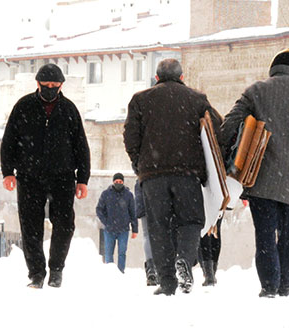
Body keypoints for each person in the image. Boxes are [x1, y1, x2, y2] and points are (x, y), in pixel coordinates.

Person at [220, 49, 289, 298]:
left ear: (273, 68)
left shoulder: (256, 91)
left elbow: (230, 123)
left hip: (262, 180)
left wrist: (220, 154)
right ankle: (285, 283)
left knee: (265, 234)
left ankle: (269, 285)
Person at [123, 58, 222, 295]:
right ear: (182, 77)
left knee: (159, 227)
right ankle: (185, 261)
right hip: (187, 174)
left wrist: (139, 164)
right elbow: (216, 128)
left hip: (153, 175)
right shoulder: (197, 99)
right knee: (190, 221)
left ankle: (167, 282)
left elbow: (130, 135)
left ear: (156, 78)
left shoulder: (140, 99)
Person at [0, 63, 90, 289]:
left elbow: (81, 145)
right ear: (37, 84)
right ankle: (36, 273)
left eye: (55, 85)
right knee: (30, 226)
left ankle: (56, 269)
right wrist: (7, 172)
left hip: (63, 177)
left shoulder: (69, 110)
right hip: (29, 176)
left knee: (65, 224)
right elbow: (9, 141)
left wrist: (83, 179)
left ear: (61, 86)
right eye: (46, 85)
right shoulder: (23, 107)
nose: (50, 89)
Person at [95, 173, 138, 273]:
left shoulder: (128, 195)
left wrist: (135, 229)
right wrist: (106, 222)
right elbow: (99, 209)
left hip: (124, 230)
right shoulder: (106, 194)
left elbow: (133, 212)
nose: (118, 183)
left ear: (123, 182)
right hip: (109, 230)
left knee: (122, 253)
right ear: (113, 182)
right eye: (116, 181)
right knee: (108, 253)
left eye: (120, 182)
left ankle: (120, 272)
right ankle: (110, 273)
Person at [134, 180, 158, 286]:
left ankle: (151, 268)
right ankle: (158, 268)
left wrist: (141, 211)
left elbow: (138, 200)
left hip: (145, 210)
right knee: (160, 237)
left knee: (147, 236)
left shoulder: (140, 181)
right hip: (158, 209)